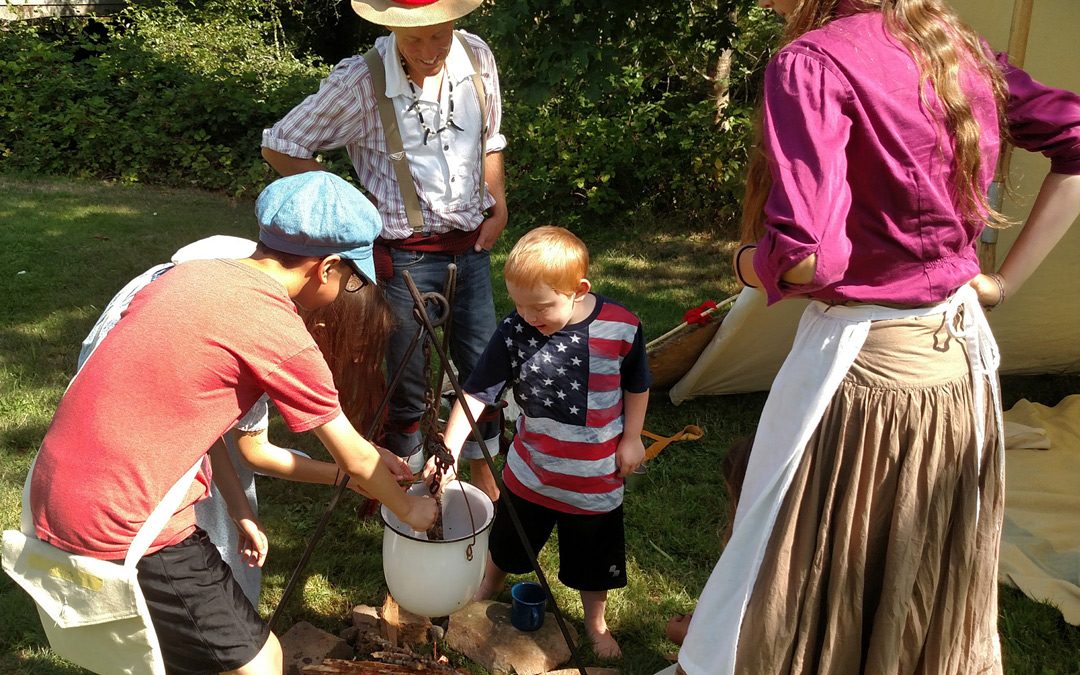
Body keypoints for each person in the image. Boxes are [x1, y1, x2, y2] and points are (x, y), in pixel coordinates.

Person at [674, 1, 1080, 674]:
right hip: (957, 378)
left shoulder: (812, 63)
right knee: (906, 573)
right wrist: (1001, 282)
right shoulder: (953, 45)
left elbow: (809, 258)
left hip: (868, 384)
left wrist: (746, 262)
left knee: (811, 572)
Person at [29, 171, 438, 675]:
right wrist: (411, 511)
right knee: (259, 661)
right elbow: (351, 453)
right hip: (130, 520)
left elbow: (197, 427)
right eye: (352, 278)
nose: (347, 290)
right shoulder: (276, 330)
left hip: (56, 490)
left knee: (177, 654)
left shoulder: (188, 277)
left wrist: (241, 511)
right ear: (327, 268)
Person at [261, 0, 507, 501]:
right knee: (405, 378)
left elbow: (490, 140)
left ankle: (482, 474)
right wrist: (348, 206)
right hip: (404, 255)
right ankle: (410, 490)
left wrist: (498, 205)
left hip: (471, 246)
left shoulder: (477, 57)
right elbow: (281, 144)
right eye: (414, 38)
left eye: (439, 35)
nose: (430, 50)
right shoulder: (361, 81)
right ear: (391, 26)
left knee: (483, 367)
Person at [76, 235, 397, 606]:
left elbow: (210, 432)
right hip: (132, 446)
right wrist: (360, 477)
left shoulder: (255, 267)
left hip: (120, 383)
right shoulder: (264, 326)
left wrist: (240, 509)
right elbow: (255, 452)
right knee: (193, 527)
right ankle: (211, 605)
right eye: (349, 351)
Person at [428, 226, 651, 658]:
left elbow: (638, 384)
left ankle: (595, 623)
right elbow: (477, 391)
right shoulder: (516, 330)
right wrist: (450, 448)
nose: (528, 316)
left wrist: (634, 437)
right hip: (530, 472)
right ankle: (484, 590)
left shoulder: (621, 328)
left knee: (593, 561)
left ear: (578, 289)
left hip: (595, 480)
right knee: (506, 544)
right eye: (518, 303)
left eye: (541, 306)